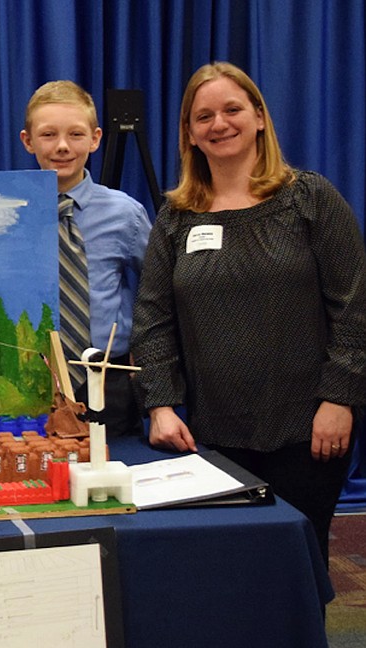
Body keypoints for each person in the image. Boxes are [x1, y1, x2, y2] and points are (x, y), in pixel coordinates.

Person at [131, 62, 366, 564]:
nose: (219, 124)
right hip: (210, 436)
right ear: (190, 134)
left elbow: (354, 308)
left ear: (259, 117)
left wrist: (340, 398)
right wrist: (160, 404)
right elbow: (152, 320)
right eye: (204, 116)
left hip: (309, 428)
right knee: (229, 569)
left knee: (298, 566)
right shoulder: (174, 218)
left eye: (232, 109)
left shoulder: (310, 199)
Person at [20, 81, 152, 435]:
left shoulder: (126, 214)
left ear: (95, 139)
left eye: (76, 134)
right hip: (30, 382)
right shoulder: (10, 215)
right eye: (48, 135)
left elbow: (158, 295)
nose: (62, 146)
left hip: (110, 382)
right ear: (28, 141)